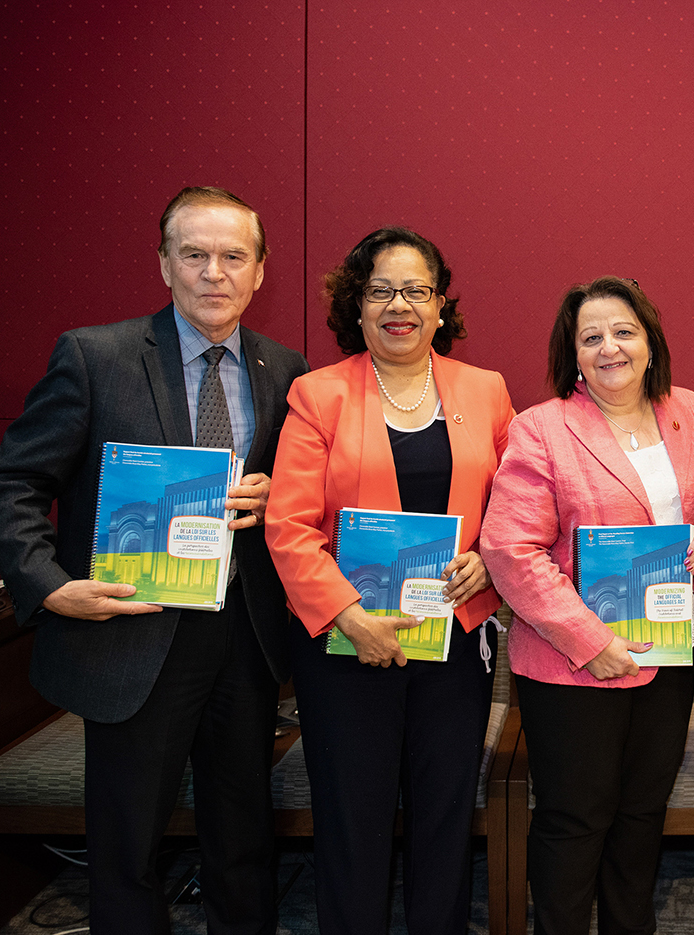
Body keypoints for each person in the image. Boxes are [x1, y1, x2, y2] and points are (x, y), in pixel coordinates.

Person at [0, 186, 308, 934]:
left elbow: (301, 496)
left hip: (244, 635)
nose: (213, 272)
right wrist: (51, 585)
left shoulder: (285, 367)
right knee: (127, 840)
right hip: (131, 630)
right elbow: (15, 482)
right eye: (194, 254)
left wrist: (274, 497)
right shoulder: (94, 355)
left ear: (260, 271)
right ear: (164, 262)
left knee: (241, 833)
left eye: (233, 256)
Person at [263, 227, 511, 933]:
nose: (399, 304)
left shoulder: (485, 390)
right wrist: (349, 616)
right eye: (380, 290)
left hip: (456, 640)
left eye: (417, 289)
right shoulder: (318, 395)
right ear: (357, 304)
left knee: (443, 813)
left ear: (440, 306)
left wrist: (492, 555)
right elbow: (289, 525)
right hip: (344, 646)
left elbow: (521, 505)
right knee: (352, 816)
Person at [479, 276, 694, 935]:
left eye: (624, 331)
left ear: (650, 341)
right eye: (592, 337)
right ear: (574, 353)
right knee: (575, 819)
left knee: (643, 813)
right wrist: (593, 641)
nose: (610, 347)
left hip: (669, 653)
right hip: (572, 668)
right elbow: (508, 549)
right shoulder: (542, 428)